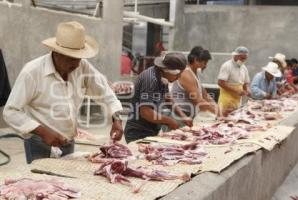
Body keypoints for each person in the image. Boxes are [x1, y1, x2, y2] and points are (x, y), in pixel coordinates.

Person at [3, 21, 123, 163]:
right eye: (72, 58)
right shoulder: (32, 72)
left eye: (79, 58)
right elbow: (10, 112)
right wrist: (43, 132)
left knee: (64, 183)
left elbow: (105, 93)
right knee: (42, 184)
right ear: (57, 53)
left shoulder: (81, 66)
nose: (77, 64)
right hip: (40, 142)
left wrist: (117, 119)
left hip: (68, 141)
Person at [124, 52, 193, 143]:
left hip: (151, 130)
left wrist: (183, 116)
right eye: (177, 74)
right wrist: (169, 121)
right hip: (138, 132)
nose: (179, 77)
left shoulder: (163, 77)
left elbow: (168, 99)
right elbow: (146, 112)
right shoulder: (151, 80)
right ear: (168, 71)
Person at [172, 46, 219, 118]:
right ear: (196, 60)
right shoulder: (186, 74)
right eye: (205, 63)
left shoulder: (194, 74)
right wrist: (218, 113)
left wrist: (217, 108)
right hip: (181, 115)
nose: (206, 66)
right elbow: (198, 101)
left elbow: (205, 96)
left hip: (190, 115)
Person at [217, 46, 251, 116]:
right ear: (236, 56)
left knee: (235, 120)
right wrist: (236, 90)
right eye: (242, 58)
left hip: (237, 101)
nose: (243, 60)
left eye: (245, 59)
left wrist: (247, 89)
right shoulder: (227, 65)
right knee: (223, 120)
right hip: (226, 100)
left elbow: (245, 83)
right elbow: (220, 82)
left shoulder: (244, 68)